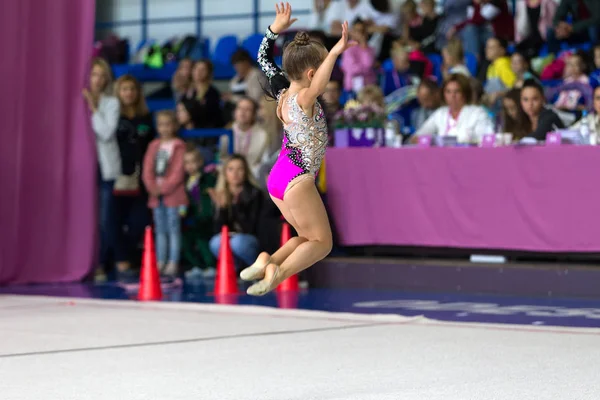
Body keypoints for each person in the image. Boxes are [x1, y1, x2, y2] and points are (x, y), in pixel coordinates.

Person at [238, 2, 355, 296]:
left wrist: (274, 30)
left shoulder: (281, 92)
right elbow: (319, 85)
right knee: (323, 243)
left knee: (306, 237)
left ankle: (268, 260)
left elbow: (263, 57)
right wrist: (335, 52)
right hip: (297, 178)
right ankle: (278, 274)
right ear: (312, 72)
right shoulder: (304, 97)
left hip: (278, 177)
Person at [142, 110, 188, 277]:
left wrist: (162, 189)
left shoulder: (179, 145)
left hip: (174, 197)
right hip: (156, 197)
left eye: (168, 124)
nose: (165, 128)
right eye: (161, 124)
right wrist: (152, 187)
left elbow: (178, 173)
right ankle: (160, 260)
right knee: (160, 229)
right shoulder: (153, 145)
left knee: (173, 229)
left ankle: (173, 262)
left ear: (174, 126)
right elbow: (147, 169)